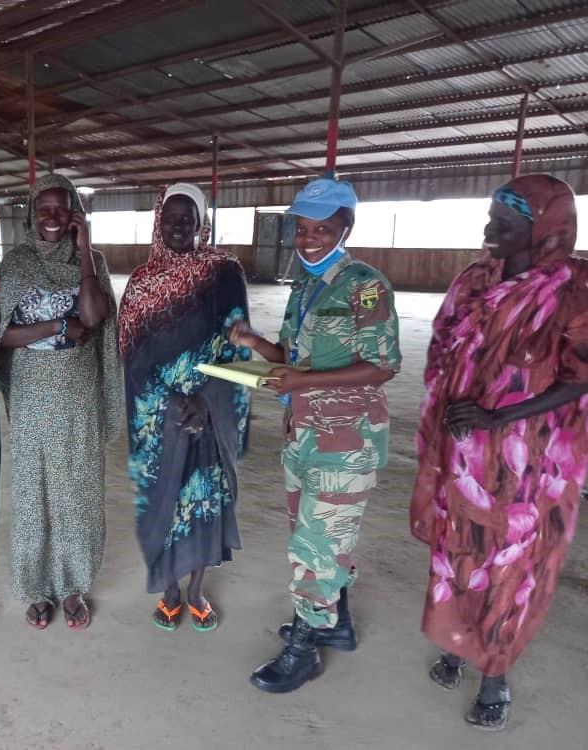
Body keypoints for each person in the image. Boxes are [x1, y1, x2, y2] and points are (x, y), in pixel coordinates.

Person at [410, 174, 588, 731]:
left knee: (510, 565)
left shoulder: (572, 289)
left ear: (544, 232)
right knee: (460, 550)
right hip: (462, 453)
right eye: (490, 219)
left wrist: (498, 415)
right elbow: (441, 345)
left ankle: (495, 673)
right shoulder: (475, 281)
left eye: (505, 224)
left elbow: (579, 376)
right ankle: (460, 641)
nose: (489, 231)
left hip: (526, 464)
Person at [230, 177, 401, 693]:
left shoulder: (365, 285)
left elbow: (383, 364)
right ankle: (337, 624)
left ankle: (304, 650)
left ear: (345, 227)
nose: (307, 239)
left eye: (321, 229)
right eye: (301, 229)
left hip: (345, 439)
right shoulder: (304, 287)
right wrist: (254, 342)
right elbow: (292, 359)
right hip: (303, 434)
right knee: (317, 536)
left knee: (317, 546)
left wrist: (305, 381)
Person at [118, 183, 250, 633]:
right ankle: (170, 592)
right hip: (158, 416)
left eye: (186, 218)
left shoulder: (223, 272)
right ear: (158, 221)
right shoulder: (140, 282)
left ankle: (195, 591)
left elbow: (238, 341)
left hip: (207, 413)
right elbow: (130, 354)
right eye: (170, 218)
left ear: (200, 223)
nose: (177, 226)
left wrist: (208, 398)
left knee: (203, 504)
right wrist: (167, 402)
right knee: (162, 503)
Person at [0, 174, 122, 630]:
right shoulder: (17, 262)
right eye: (43, 208)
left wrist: (84, 246)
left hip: (78, 399)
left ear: (74, 214)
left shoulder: (95, 260)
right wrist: (55, 329)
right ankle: (36, 587)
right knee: (34, 494)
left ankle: (73, 587)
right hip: (32, 400)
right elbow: (1, 335)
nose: (52, 216)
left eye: (62, 208)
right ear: (31, 213)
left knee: (78, 494)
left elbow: (93, 315)